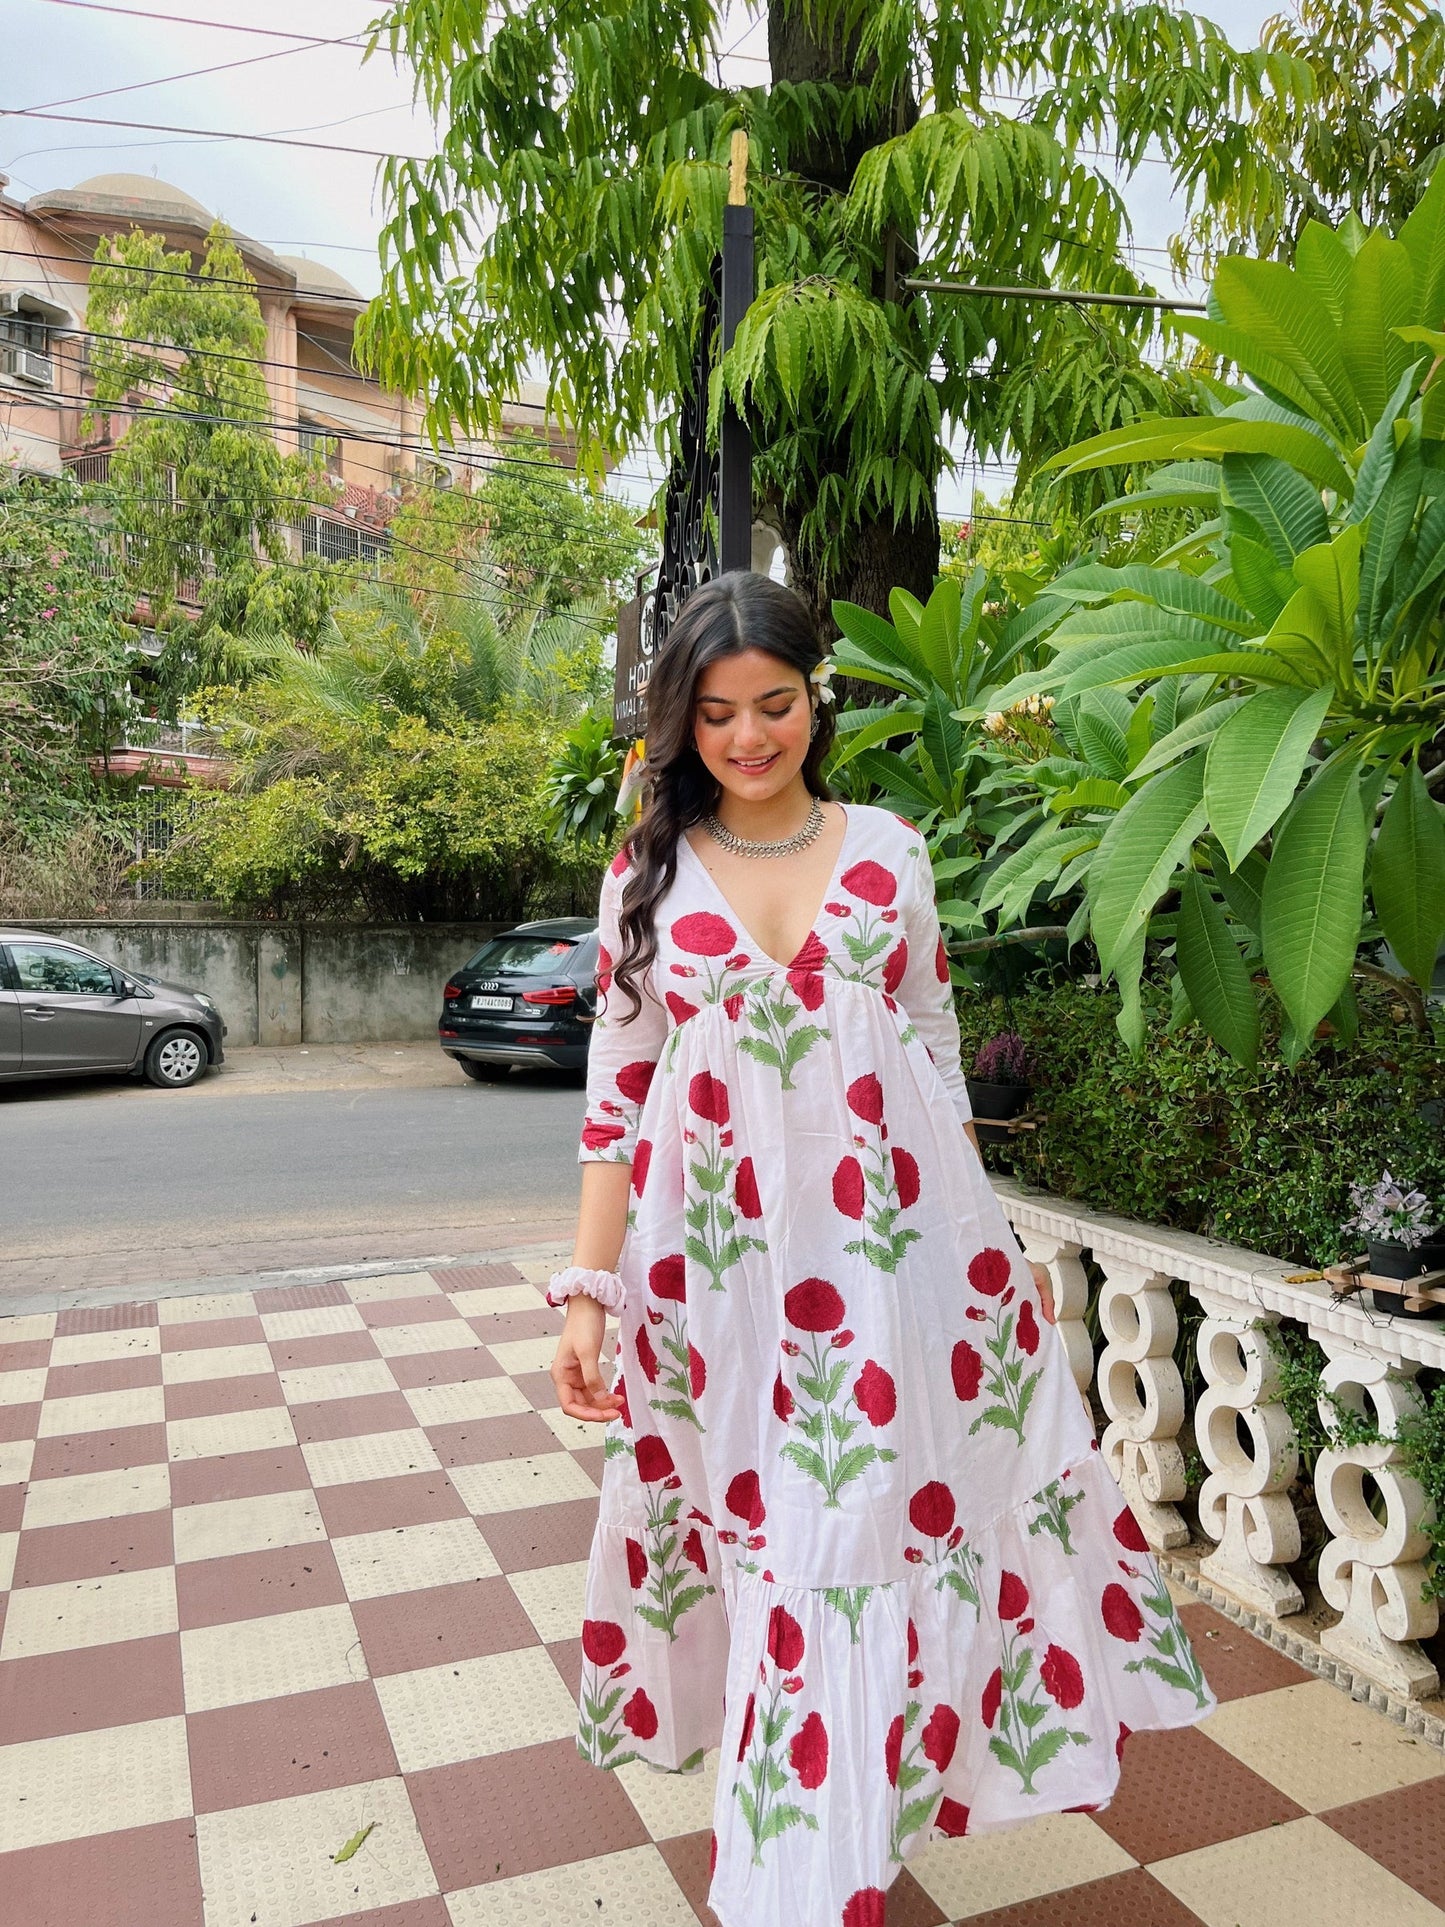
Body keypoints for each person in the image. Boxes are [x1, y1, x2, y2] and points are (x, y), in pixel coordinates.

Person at [548, 572, 1213, 1927]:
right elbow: (616, 1098)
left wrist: (981, 1254)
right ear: (683, 723)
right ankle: (811, 1835)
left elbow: (928, 1047)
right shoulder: (647, 873)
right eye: (717, 714)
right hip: (715, 1275)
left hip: (892, 1261)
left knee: (856, 1524)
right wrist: (588, 1291)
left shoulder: (889, 852)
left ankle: (813, 1854)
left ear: (816, 700)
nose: (747, 739)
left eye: (774, 705)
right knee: (776, 1538)